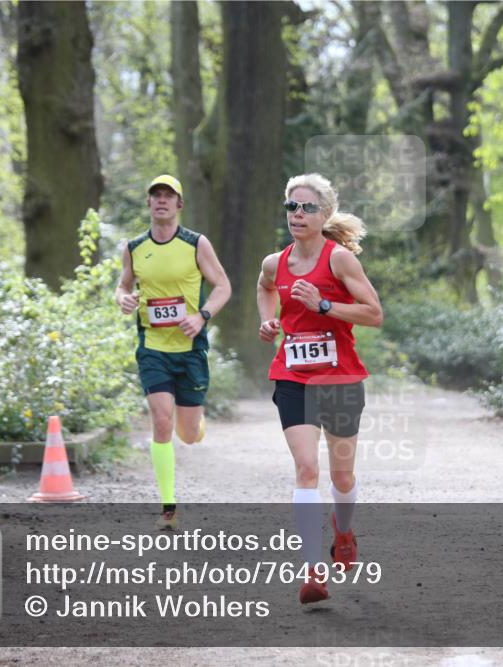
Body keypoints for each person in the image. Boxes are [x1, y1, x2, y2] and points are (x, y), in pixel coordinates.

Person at [257, 173, 383, 604]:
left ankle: (343, 533)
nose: (297, 214)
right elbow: (264, 287)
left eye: (307, 207)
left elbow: (374, 313)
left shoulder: (340, 261)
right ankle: (312, 568)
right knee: (307, 469)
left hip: (342, 378)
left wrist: (324, 305)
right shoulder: (275, 262)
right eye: (292, 206)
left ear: (325, 214)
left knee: (342, 475)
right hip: (293, 377)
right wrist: (268, 320)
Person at [116, 174, 231, 530]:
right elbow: (122, 285)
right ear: (149, 203)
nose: (162, 200)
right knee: (161, 421)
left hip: (190, 349)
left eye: (169, 196)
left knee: (188, 432)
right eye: (156, 196)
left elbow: (223, 286)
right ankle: (168, 509)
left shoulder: (196, 243)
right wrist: (123, 298)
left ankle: (196, 426)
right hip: (153, 348)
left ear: (179, 204)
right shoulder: (134, 247)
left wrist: (202, 316)